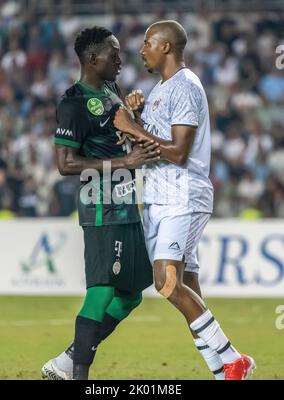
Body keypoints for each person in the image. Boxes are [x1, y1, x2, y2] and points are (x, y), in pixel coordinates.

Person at [113, 20, 256, 380]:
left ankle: (232, 357)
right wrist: (136, 119)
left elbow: (178, 152)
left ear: (166, 47)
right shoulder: (160, 89)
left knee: (165, 280)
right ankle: (223, 372)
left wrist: (133, 127)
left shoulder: (187, 87)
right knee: (187, 286)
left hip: (183, 193)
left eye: (148, 42)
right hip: (160, 195)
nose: (141, 48)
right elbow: (152, 144)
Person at [41, 26, 160, 380]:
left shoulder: (111, 89)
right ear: (93, 59)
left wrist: (135, 114)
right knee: (102, 291)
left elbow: (121, 138)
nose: (122, 61)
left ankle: (65, 363)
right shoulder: (73, 102)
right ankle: (78, 376)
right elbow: (65, 164)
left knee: (133, 293)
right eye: (115, 53)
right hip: (99, 205)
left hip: (126, 202)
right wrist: (126, 163)